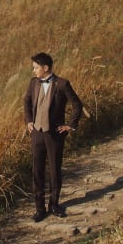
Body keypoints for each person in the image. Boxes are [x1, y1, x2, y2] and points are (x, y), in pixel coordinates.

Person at [23, 52, 83, 222]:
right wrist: (28, 120)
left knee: (55, 170)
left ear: (45, 68)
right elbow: (26, 101)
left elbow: (77, 105)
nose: (33, 70)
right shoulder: (33, 83)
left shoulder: (62, 84)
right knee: (37, 170)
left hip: (55, 134)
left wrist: (70, 126)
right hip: (37, 134)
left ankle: (54, 205)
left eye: (36, 67)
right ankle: (39, 209)